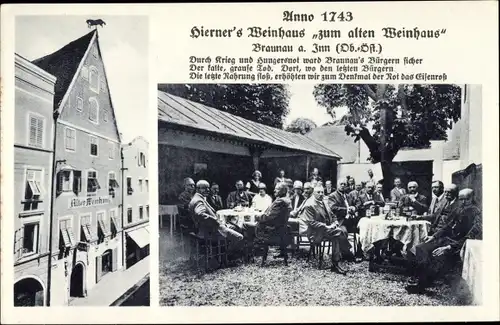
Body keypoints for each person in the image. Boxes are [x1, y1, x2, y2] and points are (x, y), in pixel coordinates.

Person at [405, 188, 481, 294]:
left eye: (466, 199)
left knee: (437, 256)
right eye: (461, 199)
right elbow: (448, 226)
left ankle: (421, 284)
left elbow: (470, 237)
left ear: (472, 198)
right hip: (445, 239)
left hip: (458, 245)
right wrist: (434, 237)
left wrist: (449, 247)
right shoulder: (458, 209)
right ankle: (422, 277)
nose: (463, 202)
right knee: (420, 248)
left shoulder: (477, 213)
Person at [298, 185, 349, 274]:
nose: (321, 194)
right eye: (318, 192)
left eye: (322, 192)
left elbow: (332, 214)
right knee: (339, 232)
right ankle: (344, 255)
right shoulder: (309, 205)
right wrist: (327, 226)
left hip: (326, 231)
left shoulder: (324, 202)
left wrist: (335, 222)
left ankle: (336, 263)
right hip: (315, 233)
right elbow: (311, 223)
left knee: (337, 235)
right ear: (314, 193)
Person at [242, 182, 292, 258]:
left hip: (269, 230)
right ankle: (254, 249)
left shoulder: (280, 201)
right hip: (279, 229)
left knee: (245, 224)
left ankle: (249, 253)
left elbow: (268, 217)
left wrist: (256, 217)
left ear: (283, 191)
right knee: (250, 224)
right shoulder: (287, 200)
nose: (274, 190)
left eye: (277, 189)